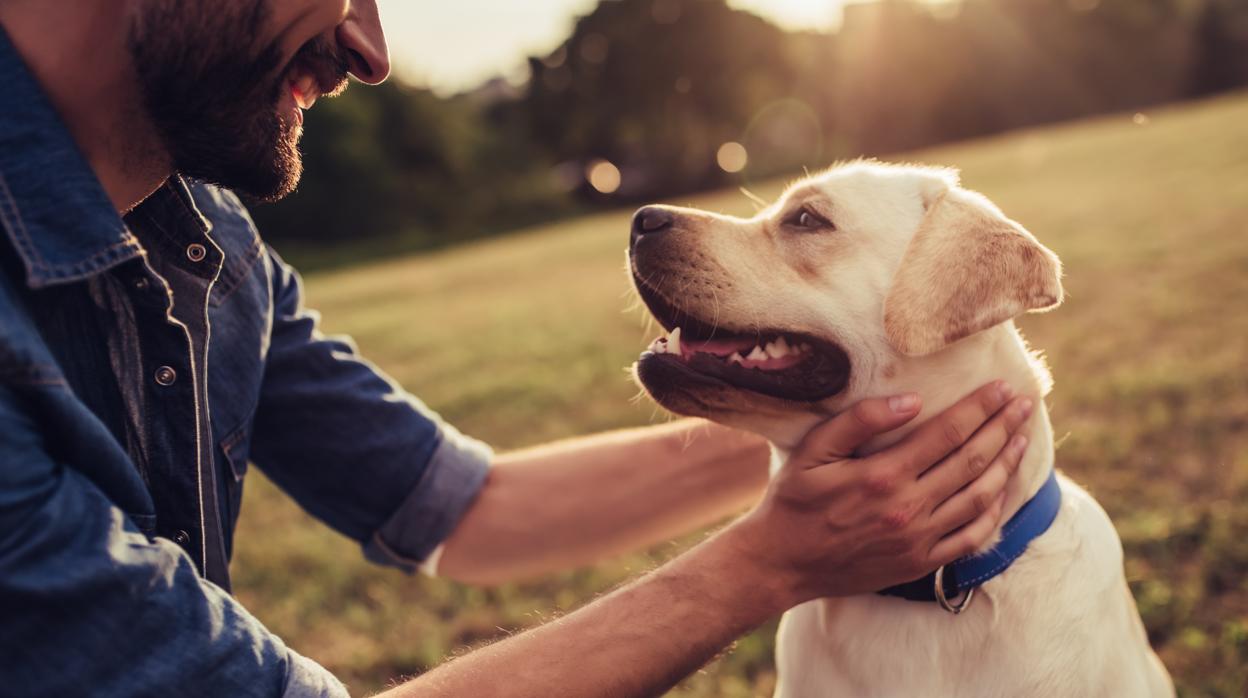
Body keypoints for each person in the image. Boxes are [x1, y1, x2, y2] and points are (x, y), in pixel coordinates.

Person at [0, 2, 1033, 696]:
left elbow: (466, 506)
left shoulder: (211, 245)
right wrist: (764, 564)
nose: (370, 47)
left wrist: (878, 425)